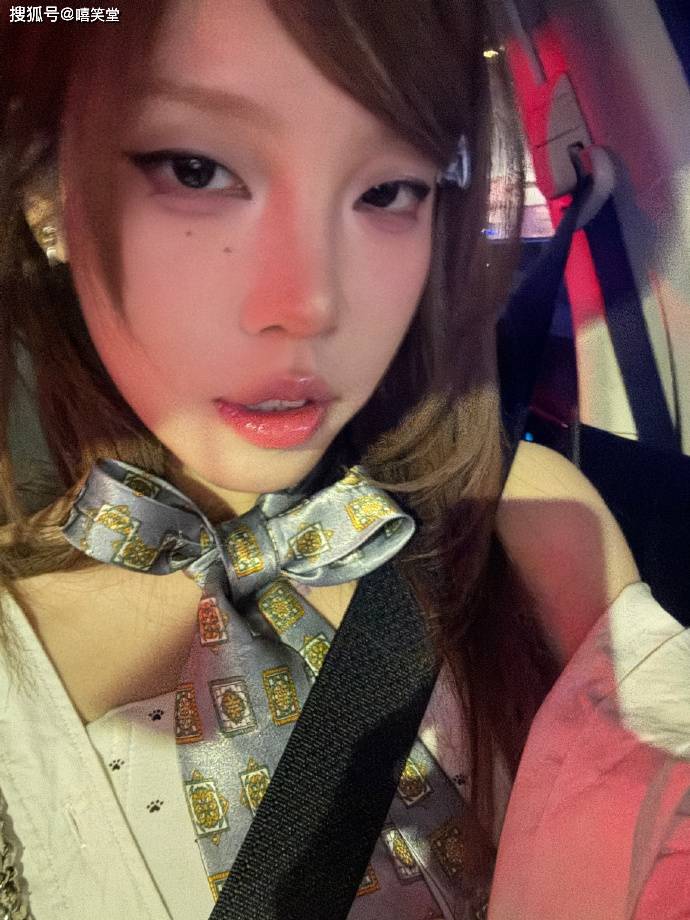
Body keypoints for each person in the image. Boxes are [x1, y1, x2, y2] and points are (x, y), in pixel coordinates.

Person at [0, 2, 686, 919]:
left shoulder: (531, 523)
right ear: (48, 192)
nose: (313, 305)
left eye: (389, 190)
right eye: (198, 170)